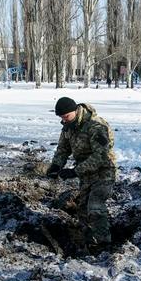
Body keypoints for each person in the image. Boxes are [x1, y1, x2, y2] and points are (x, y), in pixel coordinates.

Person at [47, 97, 117, 254]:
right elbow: (63, 149)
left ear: (75, 111)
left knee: (95, 205)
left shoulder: (96, 126)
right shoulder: (68, 127)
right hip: (86, 175)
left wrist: (74, 171)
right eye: (61, 117)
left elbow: (101, 157)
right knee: (83, 209)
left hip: (104, 172)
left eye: (66, 116)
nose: (63, 120)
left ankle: (104, 245)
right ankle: (87, 241)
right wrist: (56, 165)